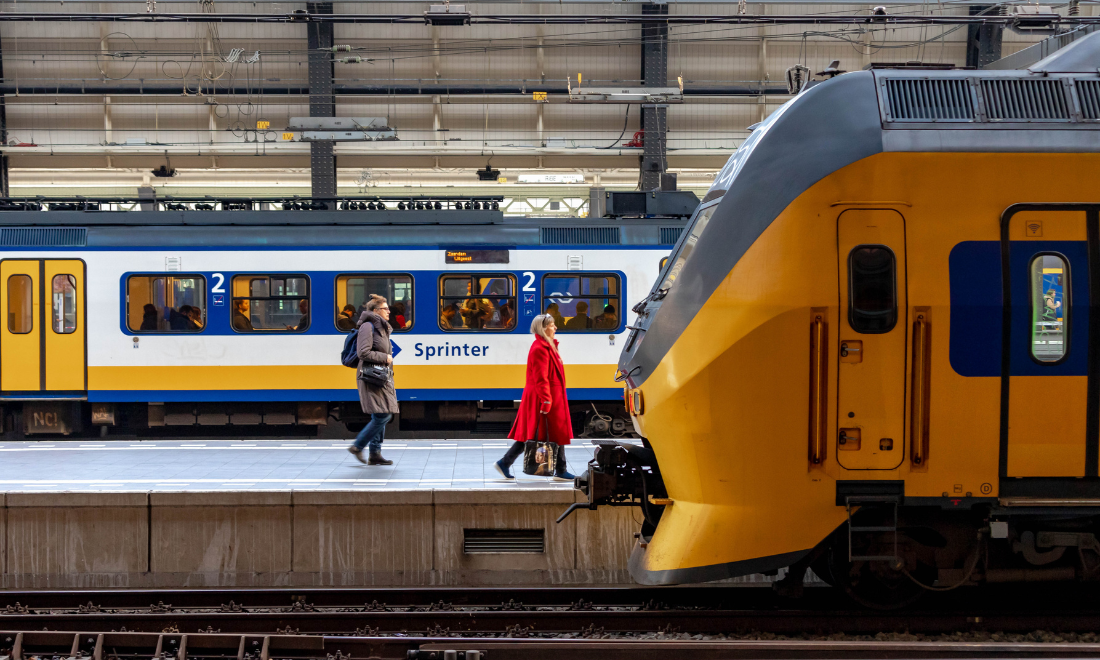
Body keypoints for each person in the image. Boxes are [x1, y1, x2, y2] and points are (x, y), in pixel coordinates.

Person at [494, 314, 575, 481]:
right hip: (545, 396)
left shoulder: (547, 346)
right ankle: (559, 469)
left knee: (549, 432)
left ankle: (506, 462)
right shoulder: (540, 348)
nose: (555, 328)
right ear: (543, 328)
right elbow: (541, 377)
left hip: (552, 395)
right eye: (552, 325)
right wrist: (546, 400)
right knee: (540, 432)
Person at [348, 294, 400, 466]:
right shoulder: (368, 327)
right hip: (372, 376)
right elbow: (363, 352)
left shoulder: (381, 328)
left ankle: (375, 454)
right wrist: (385, 357)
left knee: (380, 412)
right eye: (385, 308)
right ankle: (358, 446)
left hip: (381, 376)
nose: (389, 311)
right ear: (376, 311)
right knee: (384, 414)